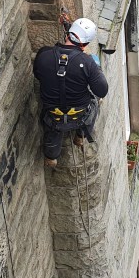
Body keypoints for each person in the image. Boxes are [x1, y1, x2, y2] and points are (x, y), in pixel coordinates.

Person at [33, 17, 109, 168]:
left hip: (52, 113)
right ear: (85, 44)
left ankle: (51, 157)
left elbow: (38, 75)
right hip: (79, 113)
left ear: (68, 34)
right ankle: (80, 135)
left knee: (53, 127)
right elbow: (102, 90)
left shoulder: (43, 55)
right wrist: (95, 66)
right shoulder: (88, 63)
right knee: (95, 100)